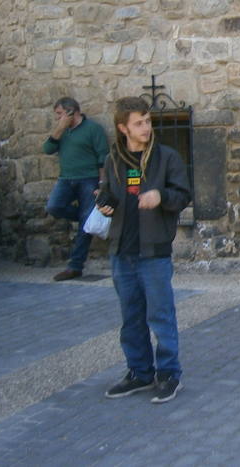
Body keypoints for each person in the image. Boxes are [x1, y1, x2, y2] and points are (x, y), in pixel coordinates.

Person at [98, 97, 191, 403]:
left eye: (148, 121)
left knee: (161, 316)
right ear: (123, 127)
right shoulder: (113, 160)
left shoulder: (166, 157)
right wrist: (104, 202)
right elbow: (107, 192)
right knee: (131, 317)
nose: (146, 127)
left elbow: (183, 195)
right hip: (122, 251)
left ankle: (168, 374)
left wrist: (160, 196)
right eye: (139, 123)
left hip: (153, 251)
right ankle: (139, 372)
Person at [42, 97, 109, 281]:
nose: (58, 118)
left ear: (72, 111)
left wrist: (102, 183)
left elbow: (103, 156)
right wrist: (60, 128)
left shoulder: (93, 129)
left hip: (88, 179)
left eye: (60, 114)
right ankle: (84, 216)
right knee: (54, 207)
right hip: (66, 179)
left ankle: (75, 266)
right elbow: (47, 149)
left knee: (85, 227)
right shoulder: (61, 131)